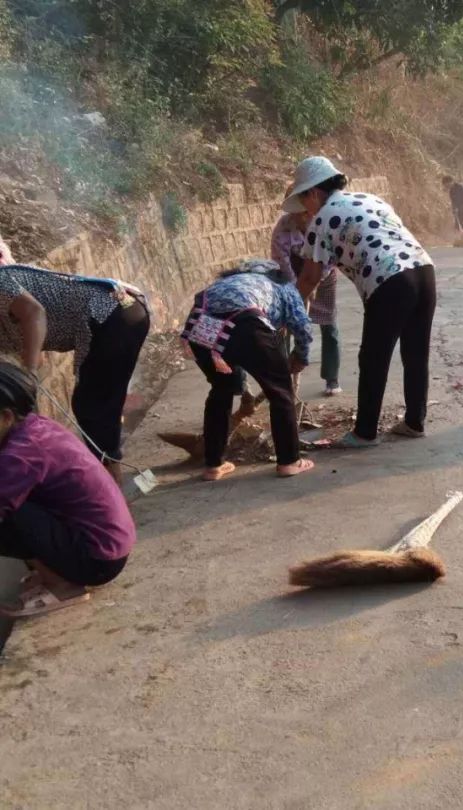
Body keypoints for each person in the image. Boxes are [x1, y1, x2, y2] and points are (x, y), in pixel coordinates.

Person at [286, 156, 436, 447]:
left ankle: (365, 432)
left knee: (373, 358)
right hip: (423, 271)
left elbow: (308, 279)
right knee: (416, 352)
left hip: (389, 281)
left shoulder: (322, 219)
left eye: (304, 202)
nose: (305, 211)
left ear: (313, 193)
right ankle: (415, 422)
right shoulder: (371, 199)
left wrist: (288, 311)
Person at [0, 363, 136, 618]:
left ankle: (62, 585)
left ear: (6, 417)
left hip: (97, 560)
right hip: (108, 544)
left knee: (9, 516)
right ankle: (52, 572)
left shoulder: (20, 455)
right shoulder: (34, 427)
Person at [0, 256, 150, 484]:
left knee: (93, 405)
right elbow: (33, 347)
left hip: (110, 313)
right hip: (120, 313)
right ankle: (109, 478)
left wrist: (29, 373)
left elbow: (34, 313)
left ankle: (111, 483)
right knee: (98, 404)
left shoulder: (2, 281)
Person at [182, 260, 314, 480]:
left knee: (221, 388)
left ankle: (213, 465)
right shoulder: (283, 286)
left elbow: (228, 339)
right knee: (280, 392)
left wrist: (238, 380)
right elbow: (302, 326)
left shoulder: (224, 283)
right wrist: (301, 356)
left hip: (200, 328)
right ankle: (290, 461)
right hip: (247, 325)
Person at [271, 211, 342, 396]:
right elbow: (282, 261)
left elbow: (331, 257)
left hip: (323, 275)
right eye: (297, 213)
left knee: (329, 325)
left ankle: (331, 378)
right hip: (291, 277)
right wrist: (298, 288)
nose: (303, 217)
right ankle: (284, 380)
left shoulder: (324, 224)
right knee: (284, 326)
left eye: (306, 212)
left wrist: (315, 282)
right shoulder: (283, 228)